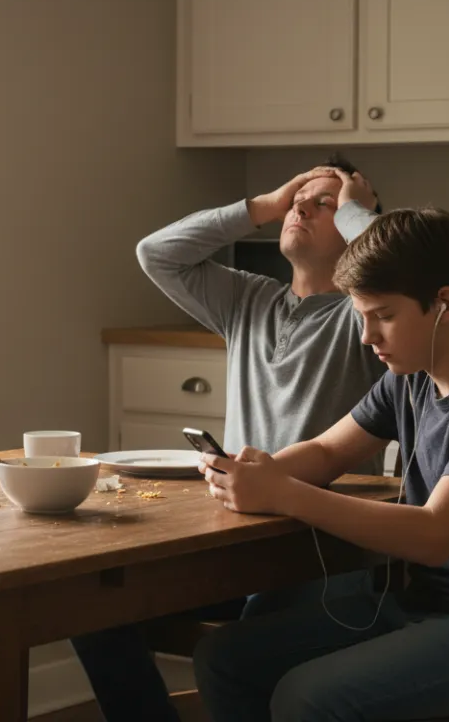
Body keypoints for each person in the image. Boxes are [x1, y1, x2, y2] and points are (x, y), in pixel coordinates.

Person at [193, 207, 449, 722]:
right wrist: (258, 473)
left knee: (306, 697)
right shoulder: (413, 373)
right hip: (422, 606)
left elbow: (434, 534)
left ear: (445, 305)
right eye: (361, 316)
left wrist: (283, 493)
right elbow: (328, 451)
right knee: (226, 659)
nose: (367, 337)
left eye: (382, 315)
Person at [71, 156, 388, 721]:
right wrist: (265, 204)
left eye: (324, 204)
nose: (301, 207)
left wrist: (356, 212)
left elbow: (397, 275)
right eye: (299, 198)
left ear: (351, 228)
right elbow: (156, 253)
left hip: (311, 545)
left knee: (244, 652)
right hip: (225, 534)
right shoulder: (248, 300)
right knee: (88, 608)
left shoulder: (365, 319)